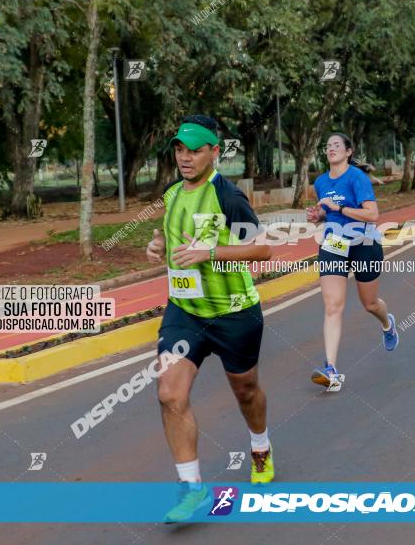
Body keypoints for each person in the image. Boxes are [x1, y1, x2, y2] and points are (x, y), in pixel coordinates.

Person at [146, 115, 274, 523]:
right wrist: (156, 245)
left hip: (234, 313)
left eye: (195, 150)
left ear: (214, 152)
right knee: (169, 392)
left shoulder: (229, 195)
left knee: (246, 391)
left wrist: (211, 252)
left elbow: (263, 250)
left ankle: (260, 445)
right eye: (180, 150)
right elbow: (167, 236)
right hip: (184, 312)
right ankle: (192, 489)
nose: (185, 158)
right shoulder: (170, 194)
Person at [306, 132, 399, 392]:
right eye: (328, 146)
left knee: (369, 303)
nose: (331, 148)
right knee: (332, 305)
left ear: (348, 151)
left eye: (337, 145)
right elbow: (327, 212)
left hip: (364, 244)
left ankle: (387, 323)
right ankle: (331, 370)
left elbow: (373, 214)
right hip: (334, 244)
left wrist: (339, 209)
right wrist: (319, 216)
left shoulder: (357, 178)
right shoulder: (321, 181)